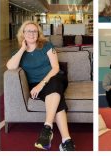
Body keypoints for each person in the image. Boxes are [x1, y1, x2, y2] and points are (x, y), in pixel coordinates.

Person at [6, 21, 75, 151]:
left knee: (54, 84)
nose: (32, 34)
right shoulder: (19, 52)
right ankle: (67, 141)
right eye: (28, 31)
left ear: (38, 33)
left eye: (34, 31)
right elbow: (10, 66)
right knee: (58, 100)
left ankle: (47, 127)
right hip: (37, 85)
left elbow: (55, 68)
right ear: (23, 34)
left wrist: (40, 85)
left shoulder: (46, 45)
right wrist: (22, 48)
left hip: (54, 78)